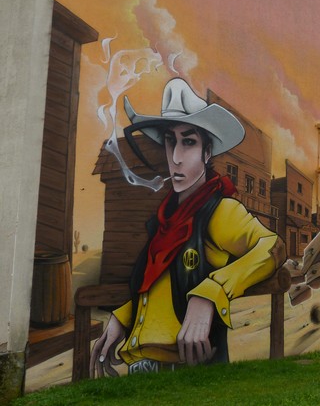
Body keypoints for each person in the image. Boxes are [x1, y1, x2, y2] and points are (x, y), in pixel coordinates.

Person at [91, 78, 285, 376]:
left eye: (189, 142)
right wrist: (124, 317)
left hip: (187, 367)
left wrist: (212, 292)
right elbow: (163, 285)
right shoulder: (166, 220)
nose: (176, 158)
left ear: (207, 153)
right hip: (144, 368)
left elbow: (274, 247)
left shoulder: (219, 211)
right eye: (171, 141)